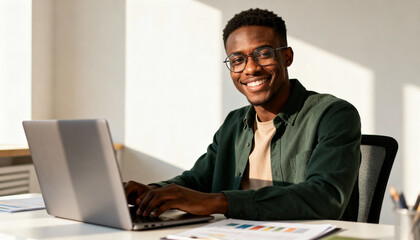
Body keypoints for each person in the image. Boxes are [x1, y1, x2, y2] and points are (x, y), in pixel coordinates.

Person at [124, 8, 361, 221]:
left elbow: (325, 197)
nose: (250, 68)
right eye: (237, 60)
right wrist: (152, 192)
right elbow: (196, 181)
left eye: (264, 54)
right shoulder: (234, 123)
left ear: (286, 56)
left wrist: (218, 202)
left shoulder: (333, 115)